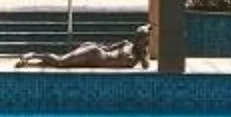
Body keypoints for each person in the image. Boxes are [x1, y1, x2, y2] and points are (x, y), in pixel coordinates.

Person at [17, 33, 147, 70]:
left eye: (145, 41)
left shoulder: (138, 56)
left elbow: (146, 67)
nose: (143, 42)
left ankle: (32, 63)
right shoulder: (126, 43)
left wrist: (142, 53)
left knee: (62, 63)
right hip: (94, 53)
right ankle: (32, 55)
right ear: (137, 38)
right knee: (61, 61)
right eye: (141, 39)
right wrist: (93, 46)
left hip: (94, 62)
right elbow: (107, 48)